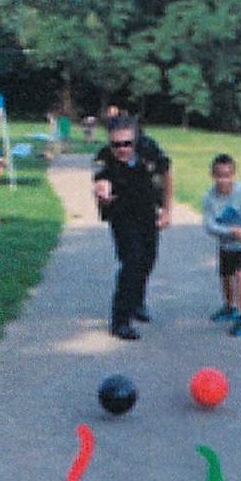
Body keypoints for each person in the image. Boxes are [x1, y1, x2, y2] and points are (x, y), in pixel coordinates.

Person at [93, 115, 172, 340]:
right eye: (116, 144)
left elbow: (166, 174)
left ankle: (137, 301)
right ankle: (120, 320)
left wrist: (167, 209)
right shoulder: (104, 157)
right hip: (122, 213)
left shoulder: (150, 149)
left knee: (148, 258)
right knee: (132, 261)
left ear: (135, 141)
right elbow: (100, 181)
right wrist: (102, 193)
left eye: (127, 144)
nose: (121, 149)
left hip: (147, 209)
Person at [202, 153, 241, 338]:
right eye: (220, 175)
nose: (224, 180)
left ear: (234, 175)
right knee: (225, 277)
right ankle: (229, 307)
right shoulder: (209, 198)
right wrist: (231, 231)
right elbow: (209, 225)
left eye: (228, 175)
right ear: (213, 176)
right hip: (226, 245)